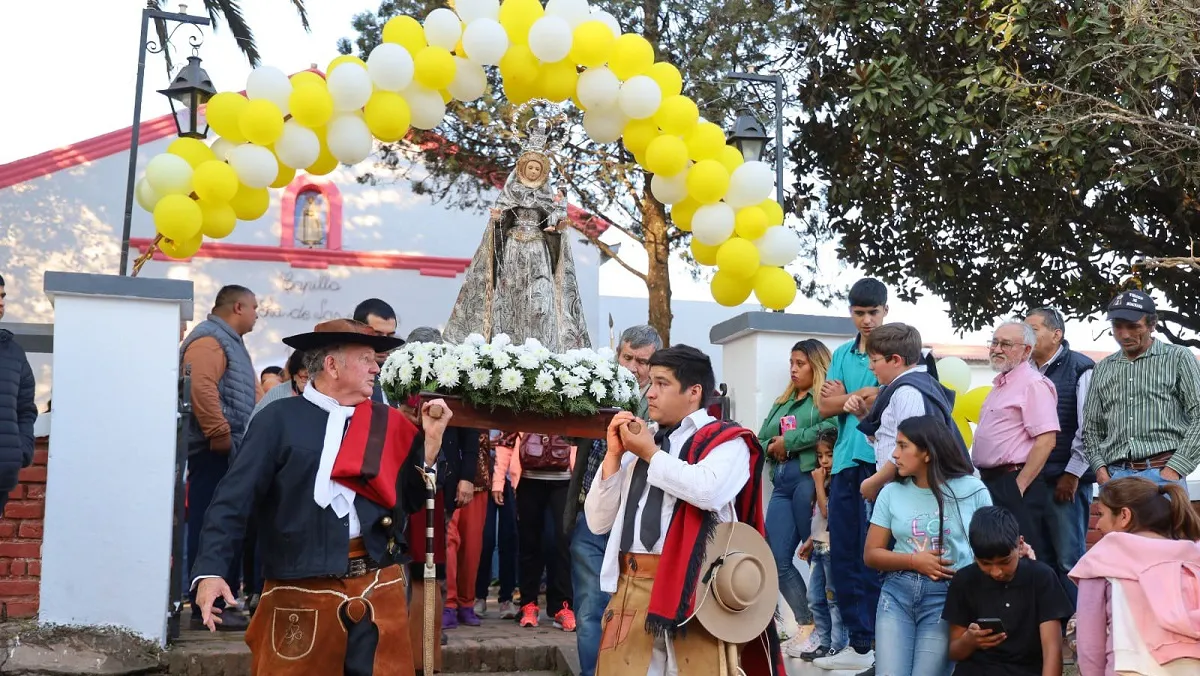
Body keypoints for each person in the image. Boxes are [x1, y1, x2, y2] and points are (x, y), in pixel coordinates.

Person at [191, 318, 452, 676]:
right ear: (332, 365)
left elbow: (407, 499)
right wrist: (210, 571)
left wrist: (431, 448)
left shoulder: (386, 422)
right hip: (299, 586)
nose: (377, 367)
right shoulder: (277, 420)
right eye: (366, 359)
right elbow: (232, 501)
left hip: (378, 586)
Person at [584, 345, 784, 676]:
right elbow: (598, 522)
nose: (650, 393)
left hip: (695, 590)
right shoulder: (643, 440)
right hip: (631, 585)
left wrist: (649, 454)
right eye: (651, 382)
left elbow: (707, 490)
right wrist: (614, 457)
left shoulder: (727, 440)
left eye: (662, 383)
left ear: (694, 392)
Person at [442, 113, 590, 351]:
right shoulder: (511, 192)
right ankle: (504, 343)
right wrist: (498, 220)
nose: (533, 171)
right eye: (530, 167)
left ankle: (540, 345)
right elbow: (501, 220)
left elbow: (552, 220)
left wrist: (557, 224)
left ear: (542, 172)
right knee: (509, 294)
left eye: (537, 168)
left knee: (539, 300)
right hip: (513, 246)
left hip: (537, 248)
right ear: (523, 168)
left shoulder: (547, 195)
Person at [860, 415, 992, 676]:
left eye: (903, 445)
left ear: (928, 453)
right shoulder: (891, 492)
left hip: (947, 597)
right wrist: (913, 561)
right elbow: (871, 554)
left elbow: (989, 544)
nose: (894, 454)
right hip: (896, 593)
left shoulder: (973, 490)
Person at [567, 324, 661, 676]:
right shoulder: (597, 384)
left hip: (637, 526)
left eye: (642, 361)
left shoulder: (661, 402)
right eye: (627, 358)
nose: (633, 367)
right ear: (617, 354)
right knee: (591, 607)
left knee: (633, 610)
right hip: (591, 518)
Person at [814, 278, 889, 673]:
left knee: (871, 556)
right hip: (843, 465)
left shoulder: (892, 352)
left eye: (872, 312)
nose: (866, 319)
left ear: (885, 312)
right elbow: (824, 407)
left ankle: (877, 642)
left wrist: (846, 398)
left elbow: (882, 397)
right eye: (859, 313)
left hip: (878, 465)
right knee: (843, 556)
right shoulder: (842, 352)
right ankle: (859, 645)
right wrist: (850, 400)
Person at [180, 284, 261, 630]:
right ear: (238, 307)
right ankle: (207, 609)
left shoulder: (230, 341)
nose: (258, 314)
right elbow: (200, 385)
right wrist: (220, 435)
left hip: (231, 452)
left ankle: (222, 604)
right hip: (216, 453)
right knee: (210, 525)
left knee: (226, 524)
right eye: (255, 307)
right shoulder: (210, 339)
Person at [1070, 477, 1200, 676]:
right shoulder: (1193, 556)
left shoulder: (1103, 558)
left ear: (1124, 515)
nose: (1098, 525)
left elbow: (1090, 648)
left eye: (1102, 514)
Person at [756, 339, 836, 640]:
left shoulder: (823, 401)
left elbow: (831, 430)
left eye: (800, 363)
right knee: (775, 558)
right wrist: (773, 445)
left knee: (819, 555)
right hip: (781, 483)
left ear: (816, 365)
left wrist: (788, 442)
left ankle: (830, 631)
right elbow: (759, 439)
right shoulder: (783, 402)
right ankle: (808, 623)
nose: (793, 369)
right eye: (791, 363)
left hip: (809, 481)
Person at [1083, 290, 1200, 488]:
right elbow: (1091, 428)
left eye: (1133, 327)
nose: (1124, 334)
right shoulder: (1103, 368)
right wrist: (1101, 471)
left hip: (1163, 474)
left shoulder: (1179, 358)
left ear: (1152, 325)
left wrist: (1174, 470)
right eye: (1117, 327)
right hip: (1115, 477)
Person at [943, 506, 1073, 676]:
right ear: (974, 556)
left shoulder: (1041, 577)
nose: (996, 572)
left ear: (1020, 545)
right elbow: (954, 652)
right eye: (985, 563)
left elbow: (1052, 651)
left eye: (1005, 562)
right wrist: (970, 640)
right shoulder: (964, 580)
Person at [1023, 307, 1095, 607]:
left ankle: (1080, 632)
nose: (1027, 335)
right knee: (1037, 560)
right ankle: (1049, 629)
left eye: (1034, 329)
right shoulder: (1021, 369)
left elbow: (1089, 427)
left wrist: (1073, 473)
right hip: (1030, 479)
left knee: (1069, 561)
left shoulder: (1081, 368)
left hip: (1065, 481)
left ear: (1057, 334)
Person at [971, 319, 1059, 559]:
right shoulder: (1001, 384)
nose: (997, 349)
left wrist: (1018, 486)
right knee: (993, 553)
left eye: (1006, 344)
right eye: (995, 342)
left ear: (1026, 351)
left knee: (1022, 556)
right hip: (990, 482)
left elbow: (1046, 440)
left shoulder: (1033, 384)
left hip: (1015, 481)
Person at [850, 323, 966, 503]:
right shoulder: (903, 388)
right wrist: (862, 415)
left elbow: (910, 449)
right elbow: (886, 438)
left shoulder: (908, 393)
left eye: (874, 360)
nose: (870, 367)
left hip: (910, 493)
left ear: (896, 360)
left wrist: (874, 482)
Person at [494, 432, 577, 631]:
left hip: (564, 479)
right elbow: (507, 438)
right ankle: (528, 604)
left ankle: (562, 606)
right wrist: (498, 480)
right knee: (529, 543)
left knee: (560, 542)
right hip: (529, 478)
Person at [793, 428, 847, 661]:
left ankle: (838, 644)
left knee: (833, 600)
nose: (824, 461)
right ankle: (824, 643)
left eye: (829, 455)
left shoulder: (838, 483)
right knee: (815, 598)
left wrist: (818, 484)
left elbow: (829, 513)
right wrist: (809, 542)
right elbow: (819, 519)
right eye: (820, 456)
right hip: (819, 549)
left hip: (834, 552)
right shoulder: (824, 481)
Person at [0, 273, 37, 518]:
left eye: (2, 296)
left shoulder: (13, 352)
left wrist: (21, 450)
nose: (1, 302)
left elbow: (26, 409)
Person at [475, 430, 519, 621]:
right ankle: (479, 596)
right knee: (485, 539)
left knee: (509, 538)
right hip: (481, 477)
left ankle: (506, 598)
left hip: (511, 475)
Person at [353, 298, 400, 404]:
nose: (385, 343)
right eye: (377, 336)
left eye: (390, 336)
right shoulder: (343, 378)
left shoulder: (402, 376)